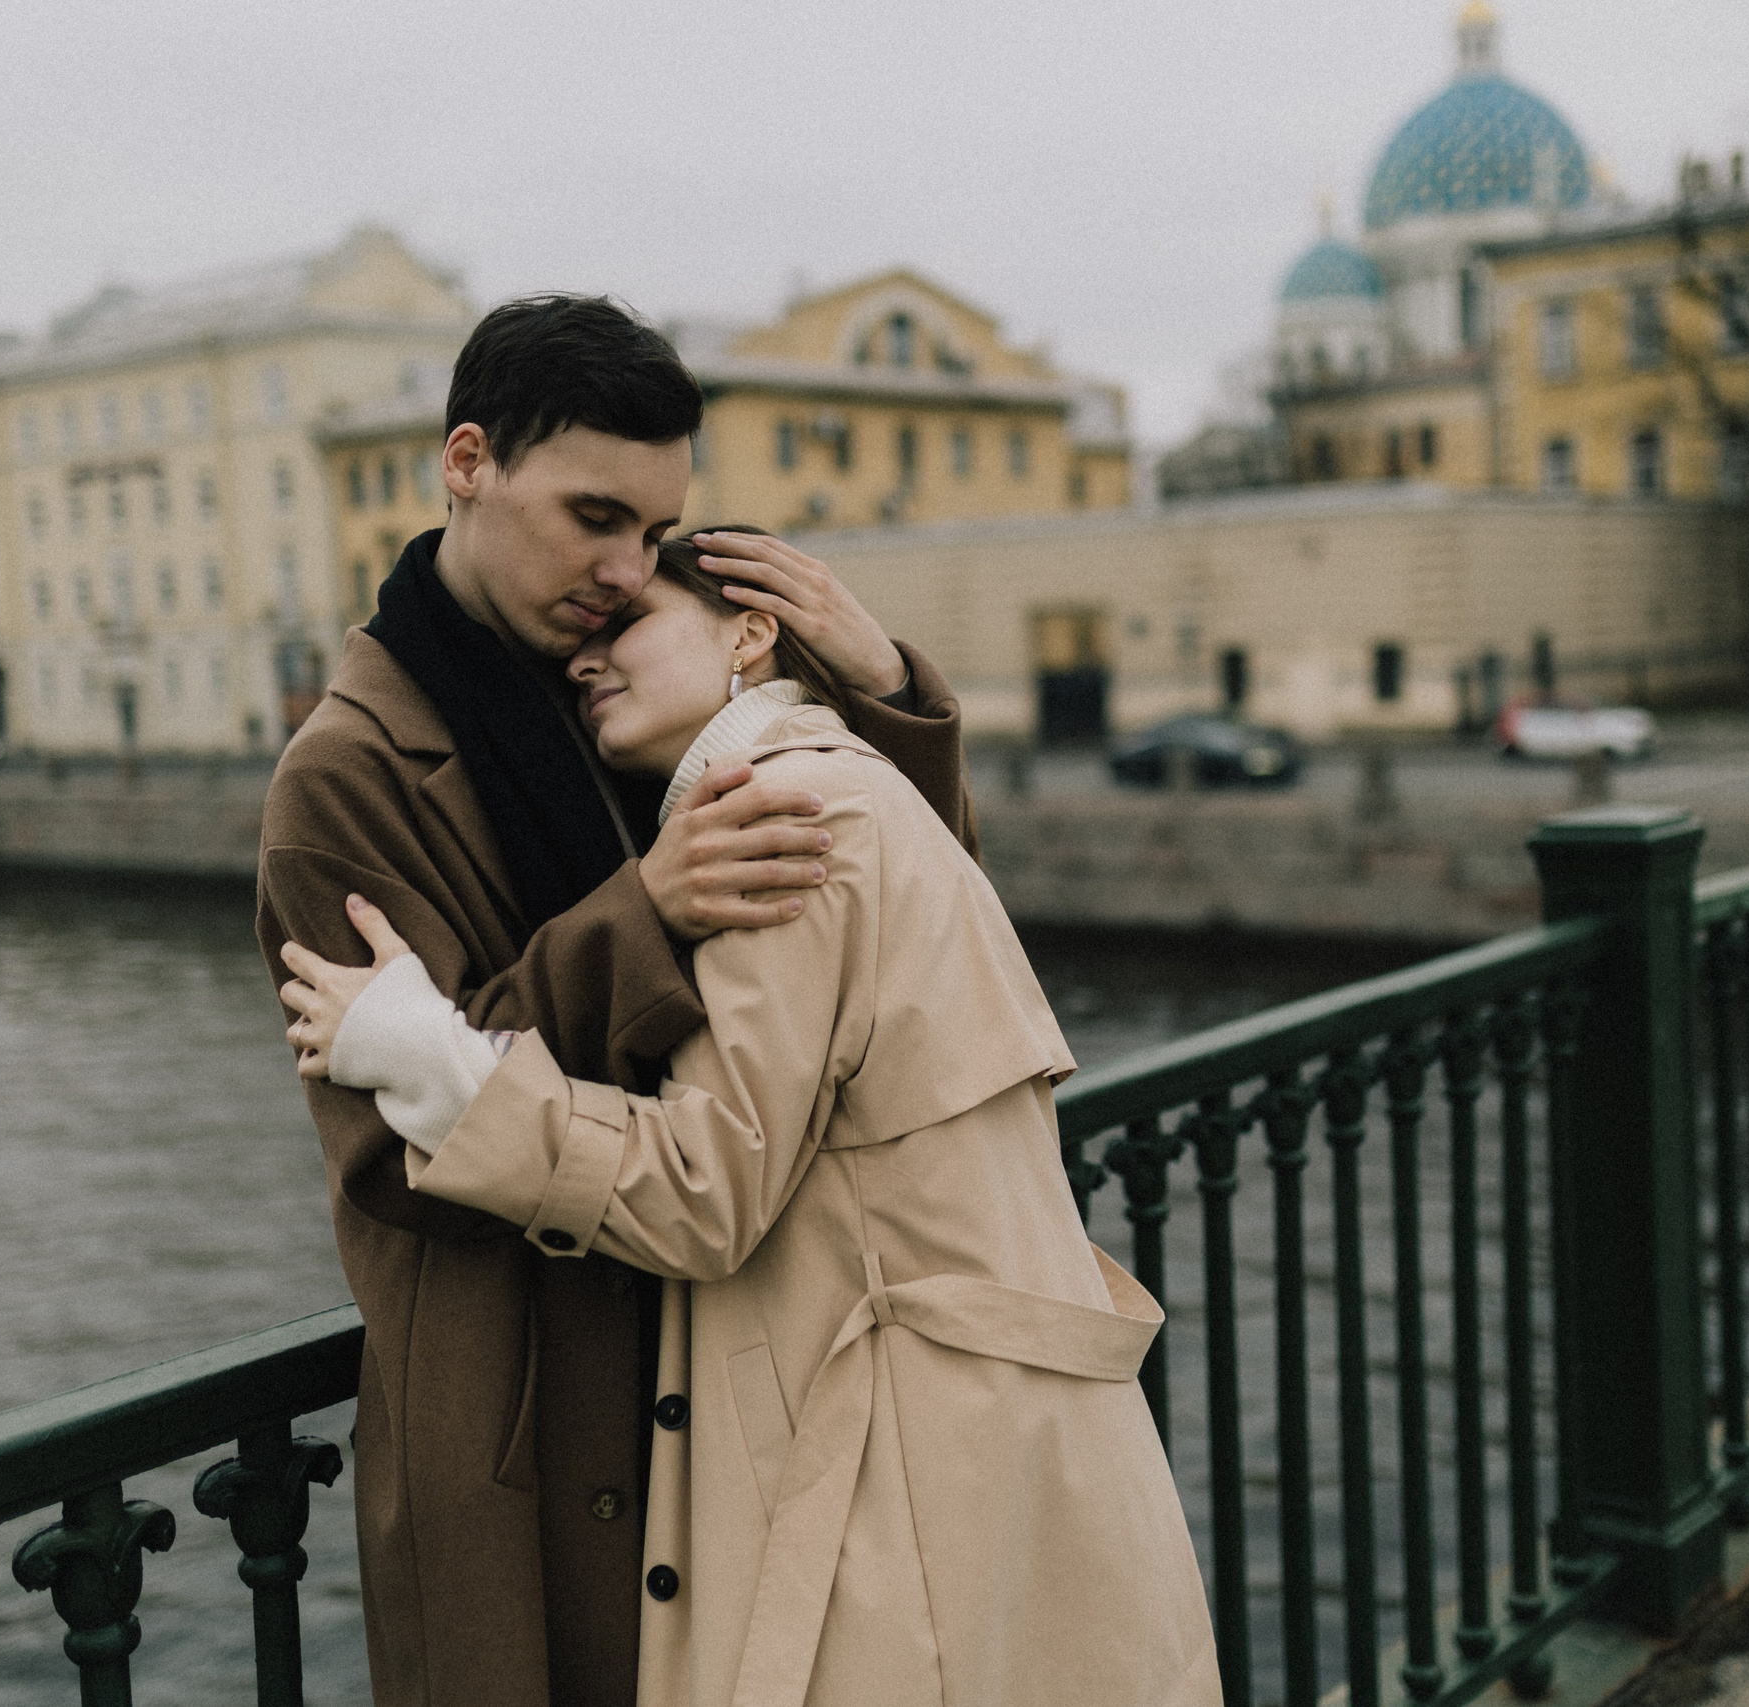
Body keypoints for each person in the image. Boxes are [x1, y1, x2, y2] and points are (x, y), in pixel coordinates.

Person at [278, 540, 1223, 1707]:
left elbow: (705, 1195)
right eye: (578, 642)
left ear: (748, 632)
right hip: (965, 1429)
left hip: (899, 1463)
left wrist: (438, 1062)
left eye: (625, 624)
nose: (585, 661)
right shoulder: (836, 781)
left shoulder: (783, 809)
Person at [257, 297, 979, 1707]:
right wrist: (647, 909)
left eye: (651, 532)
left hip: (725, 1354)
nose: (619, 568)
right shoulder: (340, 780)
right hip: (532, 1420)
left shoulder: (625, 694)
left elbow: (894, 946)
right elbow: (401, 1152)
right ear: (467, 461)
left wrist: (882, 689)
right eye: (593, 514)